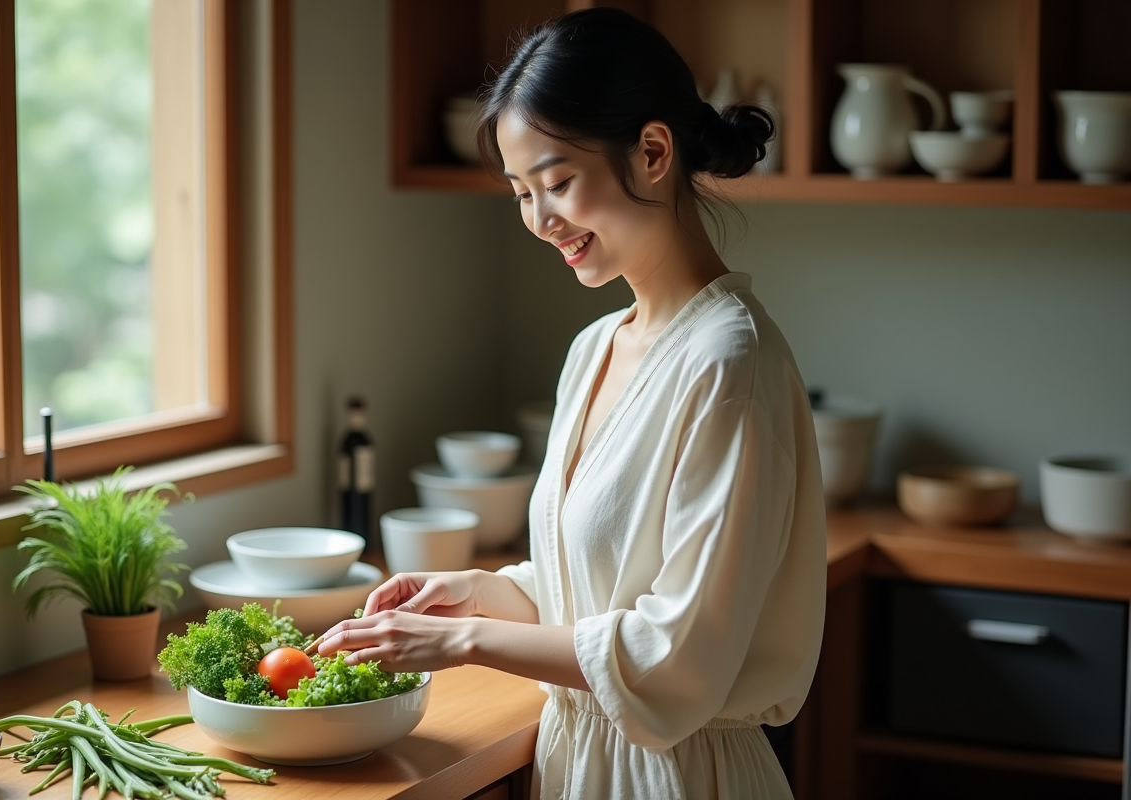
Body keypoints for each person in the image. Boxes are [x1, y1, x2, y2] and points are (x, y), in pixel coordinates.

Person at [317, 8, 827, 798]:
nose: (538, 219)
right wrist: (471, 594)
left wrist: (465, 645)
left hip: (678, 778)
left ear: (653, 152)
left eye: (556, 182)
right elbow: (592, 591)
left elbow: (677, 658)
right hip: (582, 765)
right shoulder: (594, 350)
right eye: (522, 193)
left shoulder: (732, 363)